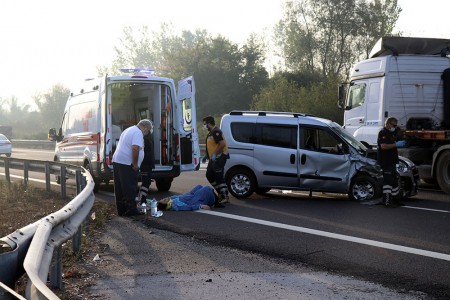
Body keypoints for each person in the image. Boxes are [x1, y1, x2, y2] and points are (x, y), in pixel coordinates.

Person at [112, 119, 153, 216]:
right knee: (129, 187)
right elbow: (135, 148)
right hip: (127, 164)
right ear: (145, 127)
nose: (146, 133)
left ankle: (122, 211)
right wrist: (135, 164)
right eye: (147, 131)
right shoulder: (138, 133)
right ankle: (131, 211)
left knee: (120, 188)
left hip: (118, 161)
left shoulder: (129, 129)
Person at [377, 117, 405, 207]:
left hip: (392, 161)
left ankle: (395, 199)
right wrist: (396, 144)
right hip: (386, 161)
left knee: (394, 181)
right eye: (394, 125)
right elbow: (383, 146)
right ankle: (387, 201)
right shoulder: (383, 133)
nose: (395, 127)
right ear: (388, 124)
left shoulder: (391, 133)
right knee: (388, 181)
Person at [202, 116, 230, 204]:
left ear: (209, 123)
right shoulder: (211, 132)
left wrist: (214, 154)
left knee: (219, 177)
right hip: (213, 158)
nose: (204, 125)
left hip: (220, 157)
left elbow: (222, 144)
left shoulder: (216, 131)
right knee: (209, 175)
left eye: (205, 124)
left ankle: (225, 196)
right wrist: (206, 155)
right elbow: (212, 146)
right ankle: (220, 192)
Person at [138, 131, 155, 204]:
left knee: (146, 182)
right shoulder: (146, 139)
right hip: (146, 164)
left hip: (146, 164)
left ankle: (142, 198)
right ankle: (142, 199)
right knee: (146, 182)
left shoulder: (146, 139)